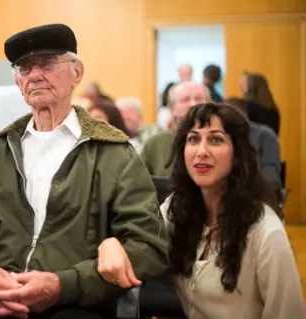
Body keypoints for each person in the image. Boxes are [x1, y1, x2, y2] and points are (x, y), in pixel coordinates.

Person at [0, 23, 170, 319]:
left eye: (47, 63)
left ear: (77, 73)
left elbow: (150, 247)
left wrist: (63, 285)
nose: (33, 75)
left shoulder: (113, 152)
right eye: (23, 67)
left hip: (77, 304)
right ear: (18, 83)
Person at [97, 103, 305, 318]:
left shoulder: (266, 233)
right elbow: (144, 243)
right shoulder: (178, 207)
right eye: (193, 139)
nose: (201, 151)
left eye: (216, 139)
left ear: (238, 153)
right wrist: (110, 243)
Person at [141, 81, 210, 177]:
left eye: (198, 99)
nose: (193, 104)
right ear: (173, 109)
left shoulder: (221, 141)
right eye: (185, 100)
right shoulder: (155, 144)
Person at [225, 97, 282, 203]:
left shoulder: (264, 134)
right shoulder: (221, 138)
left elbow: (270, 174)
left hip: (258, 195)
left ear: (245, 115)